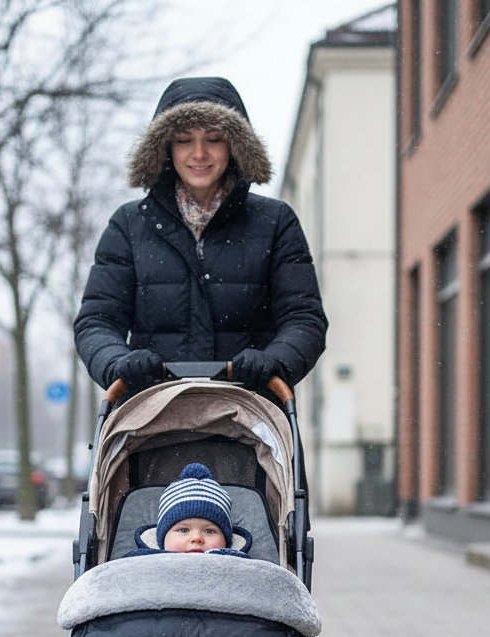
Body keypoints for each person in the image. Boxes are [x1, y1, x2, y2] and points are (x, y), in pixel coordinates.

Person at [75, 76, 327, 397]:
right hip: (152, 415)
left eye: (214, 138)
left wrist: (272, 362)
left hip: (247, 413)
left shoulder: (275, 223)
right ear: (165, 147)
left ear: (234, 145)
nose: (199, 153)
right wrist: (120, 364)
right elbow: (97, 320)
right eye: (183, 140)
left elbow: (304, 318)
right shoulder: (129, 225)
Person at [127, 463, 252, 557]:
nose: (196, 538)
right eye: (183, 530)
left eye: (209, 531)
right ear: (162, 538)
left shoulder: (244, 567)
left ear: (227, 541)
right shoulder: (140, 563)